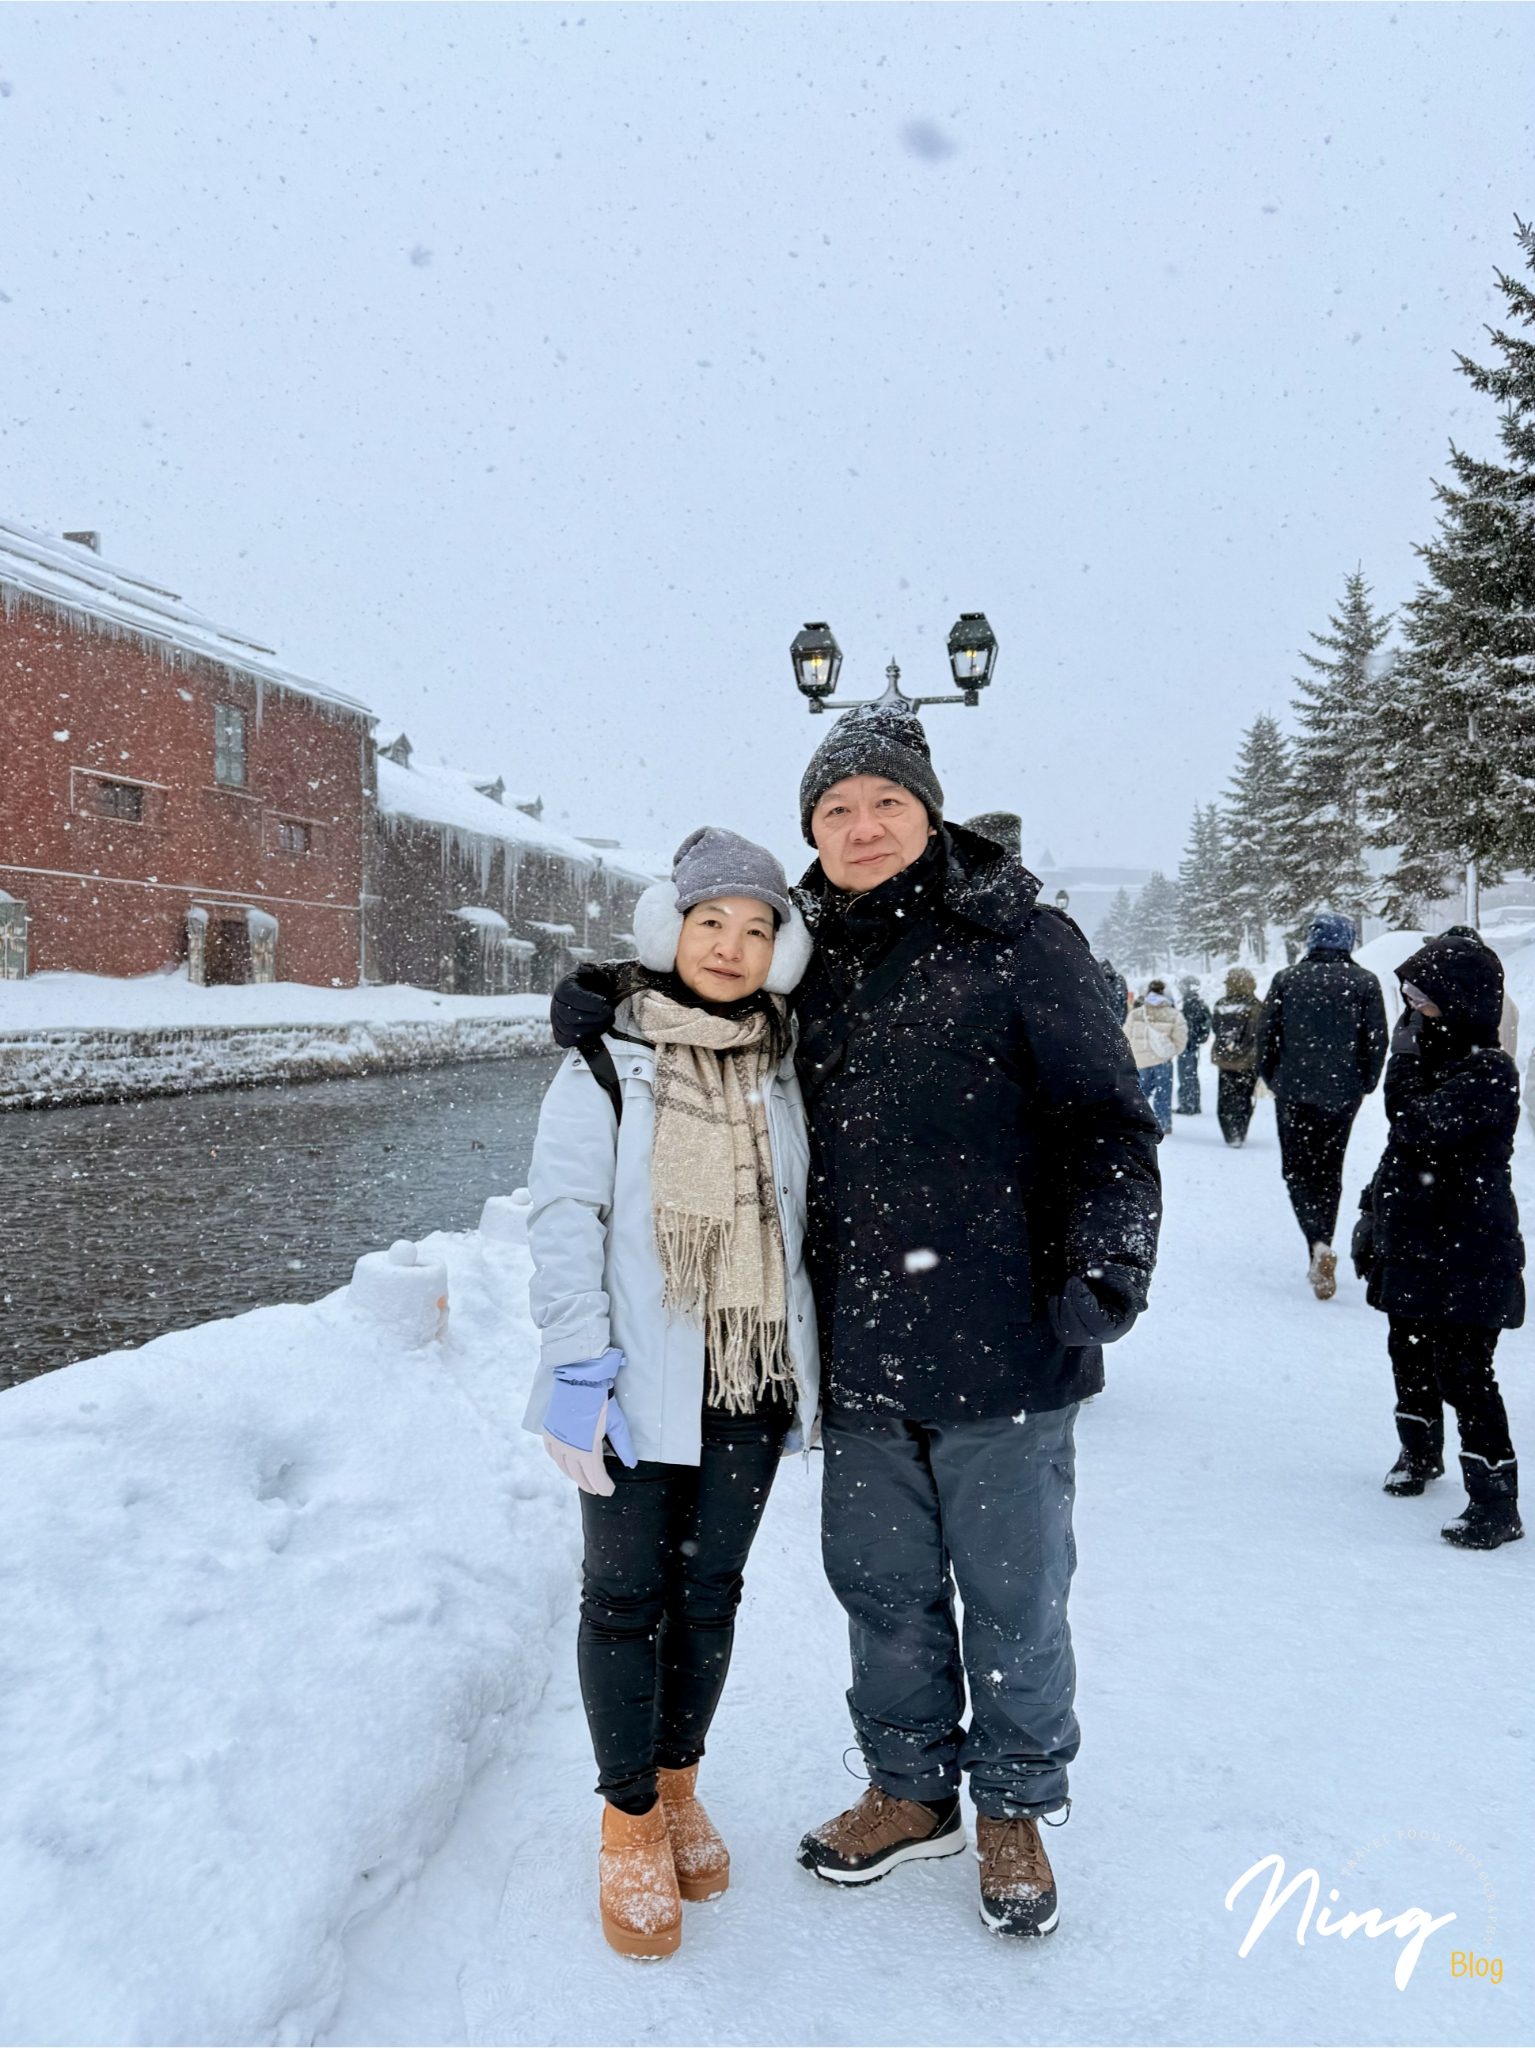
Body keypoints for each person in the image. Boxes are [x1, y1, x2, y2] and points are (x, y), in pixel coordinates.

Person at [787, 703, 1162, 1938]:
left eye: (883, 802)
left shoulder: (1021, 939)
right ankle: (907, 1787)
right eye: (834, 809)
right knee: (879, 1583)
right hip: (857, 1337)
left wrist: (1108, 1251)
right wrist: (605, 1013)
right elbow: (700, 1003)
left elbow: (1106, 1118)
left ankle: (1010, 1800)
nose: (860, 826)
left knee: (1013, 1587)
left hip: (1001, 1328)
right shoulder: (799, 956)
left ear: (927, 811)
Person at [525, 827, 820, 1959]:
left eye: (757, 928)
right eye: (710, 922)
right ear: (668, 929)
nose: (731, 946)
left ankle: (680, 1779)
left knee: (711, 1594)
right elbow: (565, 1216)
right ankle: (627, 1815)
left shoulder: (786, 1060)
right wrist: (576, 1363)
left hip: (745, 1376)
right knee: (621, 1597)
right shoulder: (605, 1057)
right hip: (633, 1378)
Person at [1352, 935, 1523, 1550]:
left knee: (1466, 1372)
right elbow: (1400, 1150)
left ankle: (1497, 1503)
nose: (1413, 1012)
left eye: (1422, 1001)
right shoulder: (1433, 1052)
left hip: (1470, 1247)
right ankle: (1418, 1454)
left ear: (1459, 1002)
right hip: (1420, 1240)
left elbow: (1417, 1126)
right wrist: (1373, 1213)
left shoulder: (1487, 1070)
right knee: (1409, 1350)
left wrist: (1404, 1060)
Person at [1256, 912, 1388, 1300]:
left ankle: (1316, 1242)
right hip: (1343, 1093)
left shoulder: (1287, 979)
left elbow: (1267, 1036)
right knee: (1329, 1169)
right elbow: (1376, 1039)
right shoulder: (1364, 982)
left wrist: (1273, 1078)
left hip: (1294, 1091)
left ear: (1312, 941)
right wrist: (1365, 1083)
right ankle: (1323, 1239)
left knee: (1297, 1170)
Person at [1209, 965, 1265, 1145]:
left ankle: (1229, 1131)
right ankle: (1240, 1132)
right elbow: (1259, 1031)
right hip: (1248, 1060)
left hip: (1225, 1060)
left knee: (1225, 1096)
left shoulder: (1220, 1004)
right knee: (1245, 1096)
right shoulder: (1256, 1006)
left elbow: (1216, 1028)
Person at [1125, 979, 1187, 1135]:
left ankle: (1137, 1121)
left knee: (1139, 1095)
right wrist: (1171, 1052)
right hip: (1163, 1061)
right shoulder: (1174, 1014)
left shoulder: (1136, 1014)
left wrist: (1135, 1054)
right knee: (1163, 1095)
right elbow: (1181, 1039)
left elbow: (1125, 1036)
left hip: (1140, 1061)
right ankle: (1163, 1124)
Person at [1175, 976, 1212, 1115]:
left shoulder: (1191, 1004)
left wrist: (1191, 1039)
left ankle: (1188, 1105)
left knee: (1186, 1075)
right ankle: (1192, 1104)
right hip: (1190, 1044)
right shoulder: (1197, 1003)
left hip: (1188, 1044)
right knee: (1189, 1075)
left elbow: (1197, 1025)